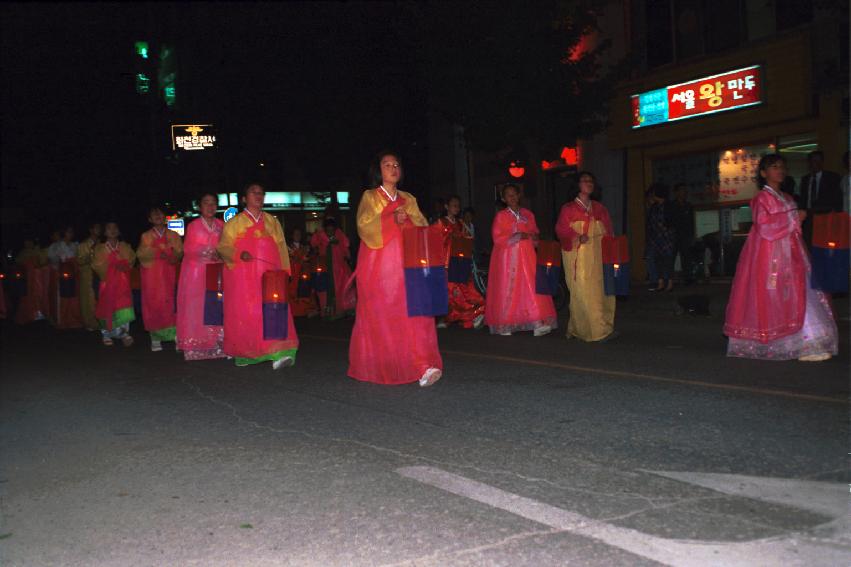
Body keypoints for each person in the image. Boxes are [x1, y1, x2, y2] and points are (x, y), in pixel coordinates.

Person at [724, 154, 837, 362]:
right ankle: (791, 343)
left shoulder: (787, 197)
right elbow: (765, 226)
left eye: (782, 167)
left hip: (792, 252)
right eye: (774, 167)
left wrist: (795, 219)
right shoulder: (761, 198)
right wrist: (795, 217)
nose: (780, 171)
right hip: (770, 255)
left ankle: (809, 341)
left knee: (802, 292)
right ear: (764, 173)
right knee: (775, 296)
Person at [348, 150, 442, 386]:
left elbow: (420, 225)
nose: (392, 168)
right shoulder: (370, 197)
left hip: (408, 265)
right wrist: (391, 218)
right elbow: (365, 227)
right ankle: (388, 363)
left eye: (396, 164)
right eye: (387, 164)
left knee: (414, 313)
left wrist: (414, 223)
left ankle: (422, 365)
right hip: (380, 268)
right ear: (378, 171)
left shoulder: (409, 198)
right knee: (386, 314)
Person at [217, 182, 299, 369]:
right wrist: (239, 253)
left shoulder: (272, 221)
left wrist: (285, 271)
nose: (258, 195)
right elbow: (223, 247)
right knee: (249, 313)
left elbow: (281, 248)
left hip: (270, 277)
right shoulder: (235, 223)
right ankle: (247, 352)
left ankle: (279, 352)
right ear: (244, 198)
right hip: (244, 279)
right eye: (253, 192)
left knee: (275, 311)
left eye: (261, 192)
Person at [484, 184, 556, 336]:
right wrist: (518, 235)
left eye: (514, 194)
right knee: (508, 287)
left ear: (519, 195)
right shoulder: (501, 216)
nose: (513, 197)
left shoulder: (527, 214)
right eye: (508, 195)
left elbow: (534, 232)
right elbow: (498, 238)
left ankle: (537, 321)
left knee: (530, 285)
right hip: (508, 258)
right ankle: (505, 323)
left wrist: (534, 237)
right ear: (504, 199)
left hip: (527, 255)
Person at [555, 171, 617, 342]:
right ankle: (597, 331)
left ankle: (582, 327)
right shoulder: (568, 209)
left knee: (600, 291)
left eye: (591, 181)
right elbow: (561, 230)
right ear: (577, 185)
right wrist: (576, 236)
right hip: (579, 256)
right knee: (583, 291)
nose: (589, 183)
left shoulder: (599, 208)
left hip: (598, 255)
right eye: (585, 181)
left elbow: (609, 230)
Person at [176, 193, 226, 361]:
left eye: (213, 203)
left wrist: (221, 254)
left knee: (215, 305)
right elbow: (189, 249)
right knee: (197, 308)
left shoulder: (221, 225)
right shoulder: (194, 226)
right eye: (206, 203)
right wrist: (208, 252)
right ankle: (197, 345)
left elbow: (227, 246)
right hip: (196, 274)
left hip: (215, 272)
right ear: (199, 207)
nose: (210, 206)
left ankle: (217, 343)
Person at [434, 195, 484, 329]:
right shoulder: (441, 222)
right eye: (453, 205)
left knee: (464, 288)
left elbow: (468, 238)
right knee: (450, 290)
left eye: (458, 205)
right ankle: (448, 317)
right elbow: (434, 240)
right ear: (447, 207)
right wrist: (449, 236)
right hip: (445, 261)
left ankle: (472, 314)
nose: (456, 208)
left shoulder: (460, 223)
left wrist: (463, 238)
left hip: (459, 260)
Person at [137, 206, 183, 352]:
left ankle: (175, 336)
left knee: (171, 303)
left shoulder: (174, 235)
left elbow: (180, 252)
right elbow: (141, 254)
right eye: (153, 214)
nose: (157, 215)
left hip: (169, 273)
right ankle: (155, 338)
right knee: (154, 304)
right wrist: (158, 252)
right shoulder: (146, 236)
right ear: (149, 219)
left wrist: (171, 255)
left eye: (160, 213)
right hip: (152, 276)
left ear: (165, 217)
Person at [92, 222, 135, 347]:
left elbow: (131, 259)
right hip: (108, 282)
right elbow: (96, 264)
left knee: (124, 306)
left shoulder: (125, 246)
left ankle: (124, 333)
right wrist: (111, 263)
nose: (112, 230)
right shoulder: (99, 248)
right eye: (109, 228)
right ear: (104, 232)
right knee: (106, 306)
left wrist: (124, 264)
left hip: (122, 282)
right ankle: (106, 333)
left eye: (115, 228)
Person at [310, 217, 356, 319]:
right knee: (324, 291)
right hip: (325, 269)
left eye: (332, 230)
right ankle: (326, 311)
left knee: (339, 289)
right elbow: (313, 243)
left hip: (338, 269)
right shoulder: (321, 238)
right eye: (328, 230)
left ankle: (339, 310)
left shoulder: (339, 237)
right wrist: (318, 233)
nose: (330, 232)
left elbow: (346, 248)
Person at [798, 150, 842, 244]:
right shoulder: (805, 179)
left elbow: (837, 198)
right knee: (808, 242)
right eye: (813, 161)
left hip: (826, 215)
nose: (816, 164)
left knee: (825, 242)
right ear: (809, 163)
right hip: (808, 216)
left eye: (818, 161)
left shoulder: (832, 177)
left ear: (822, 162)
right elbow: (803, 199)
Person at [47, 226, 81, 329]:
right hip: (61, 274)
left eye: (72, 232)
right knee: (62, 297)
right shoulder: (56, 246)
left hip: (73, 274)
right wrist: (63, 261)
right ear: (64, 233)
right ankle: (62, 319)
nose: (70, 234)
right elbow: (52, 259)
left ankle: (73, 318)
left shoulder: (75, 246)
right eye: (68, 232)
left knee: (73, 296)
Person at [646, 183, 675, 291]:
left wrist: (666, 228)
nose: (653, 196)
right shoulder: (654, 207)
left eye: (654, 194)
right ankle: (661, 282)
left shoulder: (669, 205)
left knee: (668, 260)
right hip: (656, 237)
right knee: (658, 260)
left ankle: (670, 283)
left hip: (667, 236)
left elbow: (673, 221)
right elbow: (650, 222)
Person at [14, 239, 48, 324]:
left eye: (29, 242)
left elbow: (42, 263)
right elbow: (18, 262)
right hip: (26, 277)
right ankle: (29, 314)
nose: (28, 244)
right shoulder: (23, 252)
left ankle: (38, 314)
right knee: (26, 295)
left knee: (38, 294)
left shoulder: (38, 251)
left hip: (37, 276)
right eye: (26, 242)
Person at [287, 227, 319, 318]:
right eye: (295, 234)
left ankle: (305, 310)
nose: (297, 236)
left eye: (299, 234)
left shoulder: (305, 247)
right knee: (294, 291)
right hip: (293, 273)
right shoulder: (288, 247)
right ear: (292, 236)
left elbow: (310, 258)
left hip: (303, 272)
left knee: (305, 290)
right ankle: (295, 311)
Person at [668, 183, 696, 285]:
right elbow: (668, 221)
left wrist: (693, 235)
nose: (684, 193)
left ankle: (688, 278)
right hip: (673, 235)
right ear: (676, 193)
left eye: (685, 190)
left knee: (686, 257)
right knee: (671, 257)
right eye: (681, 190)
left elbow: (692, 222)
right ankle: (668, 278)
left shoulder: (688, 206)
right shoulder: (671, 206)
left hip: (685, 235)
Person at [77, 222, 103, 330]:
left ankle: (100, 321)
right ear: (91, 230)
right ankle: (89, 322)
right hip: (87, 274)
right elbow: (80, 260)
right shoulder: (83, 245)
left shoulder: (101, 244)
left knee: (99, 297)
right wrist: (91, 253)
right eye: (97, 228)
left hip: (99, 274)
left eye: (99, 228)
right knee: (88, 298)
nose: (99, 230)